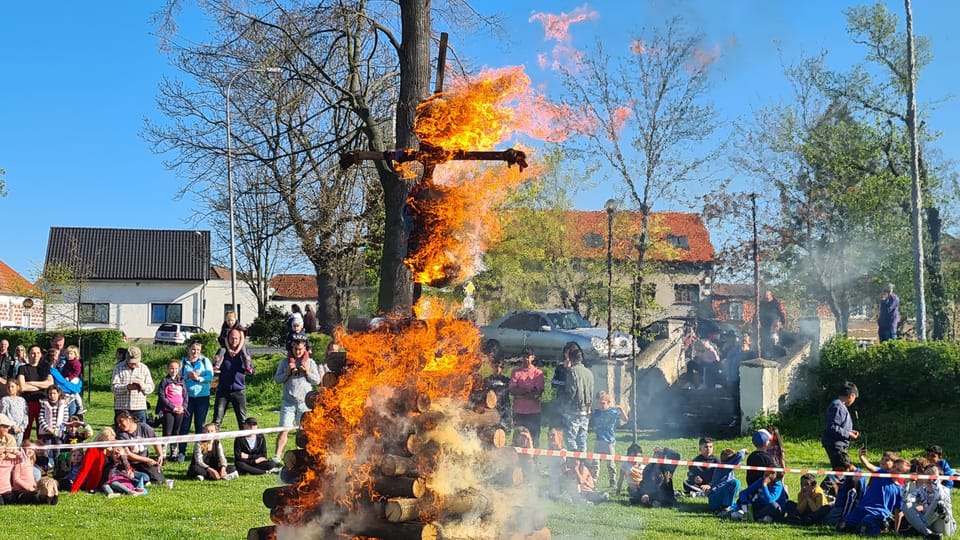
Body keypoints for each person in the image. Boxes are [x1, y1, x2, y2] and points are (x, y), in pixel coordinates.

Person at [273, 333, 324, 461]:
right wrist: (287, 373)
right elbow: (277, 380)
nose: (298, 352)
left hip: (304, 403)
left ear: (305, 349)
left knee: (303, 432)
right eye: (295, 349)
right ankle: (277, 456)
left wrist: (307, 372)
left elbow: (317, 381)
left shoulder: (310, 362)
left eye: (300, 349)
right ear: (292, 348)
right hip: (288, 403)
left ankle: (302, 457)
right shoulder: (285, 362)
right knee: (284, 429)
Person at [840, 457, 910, 535]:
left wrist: (896, 530)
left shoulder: (899, 490)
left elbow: (898, 511)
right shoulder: (881, 473)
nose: (894, 470)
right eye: (894, 467)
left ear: (903, 475)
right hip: (861, 509)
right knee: (842, 527)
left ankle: (882, 527)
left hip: (876, 514)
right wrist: (861, 456)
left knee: (863, 530)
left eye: (898, 470)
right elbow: (868, 466)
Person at [177, 340, 214, 462]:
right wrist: (188, 376)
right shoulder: (182, 362)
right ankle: (181, 452)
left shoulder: (205, 361)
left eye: (198, 350)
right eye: (193, 349)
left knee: (200, 425)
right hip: (187, 398)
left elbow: (210, 377)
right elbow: (177, 378)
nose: (195, 352)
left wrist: (198, 378)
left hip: (202, 396)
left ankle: (200, 452)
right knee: (185, 425)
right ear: (188, 350)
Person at [901, 463, 957, 539]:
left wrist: (935, 481)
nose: (928, 477)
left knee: (940, 503)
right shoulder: (920, 491)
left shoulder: (945, 490)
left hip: (944, 526)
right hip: (930, 526)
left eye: (931, 474)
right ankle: (927, 533)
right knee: (906, 505)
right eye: (926, 474)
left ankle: (917, 529)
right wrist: (906, 483)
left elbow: (939, 496)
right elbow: (905, 499)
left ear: (941, 478)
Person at [213, 327, 254, 429]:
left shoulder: (244, 353)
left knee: (243, 422)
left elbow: (252, 371)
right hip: (223, 391)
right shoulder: (222, 351)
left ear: (240, 339)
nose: (234, 340)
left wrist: (250, 371)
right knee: (216, 421)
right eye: (232, 338)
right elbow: (214, 368)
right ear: (228, 339)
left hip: (239, 391)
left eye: (236, 338)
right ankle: (213, 444)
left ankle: (243, 444)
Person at [588, 391, 627, 489]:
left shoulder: (612, 412)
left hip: (609, 441)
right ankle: (594, 481)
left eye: (603, 403)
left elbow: (625, 419)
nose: (601, 406)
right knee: (596, 463)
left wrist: (621, 409)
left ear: (608, 402)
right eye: (598, 403)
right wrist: (589, 408)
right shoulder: (596, 412)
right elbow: (588, 417)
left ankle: (612, 481)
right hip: (598, 440)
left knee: (610, 463)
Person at [114, 409, 165, 485]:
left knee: (159, 480)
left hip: (144, 462)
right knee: (144, 477)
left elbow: (155, 441)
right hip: (130, 463)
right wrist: (147, 460)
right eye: (117, 423)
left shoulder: (144, 427)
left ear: (129, 419)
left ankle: (142, 478)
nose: (119, 425)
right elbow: (128, 455)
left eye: (121, 421)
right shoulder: (122, 434)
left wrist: (160, 455)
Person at [508, 346, 544, 448]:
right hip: (519, 412)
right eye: (524, 357)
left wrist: (521, 393)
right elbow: (512, 390)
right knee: (517, 439)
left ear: (533, 357)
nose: (526, 359)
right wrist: (527, 391)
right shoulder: (516, 372)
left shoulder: (538, 373)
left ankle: (534, 461)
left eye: (528, 357)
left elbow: (538, 393)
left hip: (533, 412)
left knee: (534, 438)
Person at [561, 343, 594, 452]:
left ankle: (574, 463)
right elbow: (591, 392)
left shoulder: (572, 371)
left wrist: (566, 406)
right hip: (586, 411)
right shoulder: (589, 373)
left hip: (573, 410)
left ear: (571, 358)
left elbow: (571, 390)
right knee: (582, 440)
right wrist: (589, 407)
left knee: (570, 439)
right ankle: (583, 464)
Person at [822, 381, 860, 472]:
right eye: (855, 397)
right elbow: (832, 426)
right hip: (835, 445)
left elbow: (837, 425)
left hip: (837, 445)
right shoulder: (838, 406)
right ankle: (825, 487)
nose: (854, 400)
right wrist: (848, 434)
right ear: (851, 395)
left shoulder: (839, 406)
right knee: (844, 470)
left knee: (844, 472)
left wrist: (849, 431)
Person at [110, 347, 155, 423]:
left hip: (139, 408)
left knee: (140, 432)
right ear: (127, 359)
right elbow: (114, 388)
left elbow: (151, 387)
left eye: (135, 362)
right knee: (122, 433)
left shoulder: (144, 368)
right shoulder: (118, 368)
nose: (133, 364)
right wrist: (127, 387)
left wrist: (142, 386)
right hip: (122, 408)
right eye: (131, 362)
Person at [17, 345, 53, 439]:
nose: (35, 355)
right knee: (26, 429)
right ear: (28, 355)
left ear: (40, 354)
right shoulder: (23, 368)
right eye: (33, 353)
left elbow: (50, 384)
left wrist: (31, 383)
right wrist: (42, 385)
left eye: (37, 353)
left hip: (42, 403)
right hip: (27, 403)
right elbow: (23, 387)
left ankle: (40, 452)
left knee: (41, 431)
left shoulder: (45, 367)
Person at [823, 452, 867, 526]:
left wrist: (844, 520)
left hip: (841, 511)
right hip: (838, 505)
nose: (837, 473)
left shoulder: (854, 480)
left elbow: (851, 503)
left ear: (848, 466)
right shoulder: (854, 474)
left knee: (822, 519)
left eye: (839, 470)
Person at [69, 426, 115, 494]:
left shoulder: (103, 449)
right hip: (92, 484)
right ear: (103, 440)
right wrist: (73, 490)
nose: (111, 444)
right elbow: (84, 471)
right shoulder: (92, 450)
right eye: (109, 442)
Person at [156, 360, 187, 459]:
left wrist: (183, 407)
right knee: (167, 432)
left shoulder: (181, 381)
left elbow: (186, 396)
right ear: (168, 369)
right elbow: (161, 396)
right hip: (168, 410)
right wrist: (172, 407)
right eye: (171, 368)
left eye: (176, 368)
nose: (174, 370)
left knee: (176, 431)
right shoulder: (165, 381)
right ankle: (163, 453)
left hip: (180, 410)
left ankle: (174, 453)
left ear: (179, 369)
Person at [710, 448, 747, 513]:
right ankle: (725, 507)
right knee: (735, 483)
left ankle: (728, 506)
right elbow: (739, 457)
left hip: (716, 498)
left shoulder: (726, 468)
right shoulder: (724, 467)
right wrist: (743, 451)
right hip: (715, 500)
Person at [483, 357, 512, 431]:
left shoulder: (507, 380)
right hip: (492, 411)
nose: (498, 369)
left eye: (501, 367)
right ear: (492, 366)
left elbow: (512, 390)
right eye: (496, 366)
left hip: (505, 409)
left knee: (505, 432)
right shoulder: (487, 380)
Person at [758, 290, 787, 354]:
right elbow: (757, 314)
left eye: (767, 295)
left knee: (775, 339)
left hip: (775, 325)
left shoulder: (776, 303)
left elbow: (782, 313)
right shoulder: (761, 304)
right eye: (765, 296)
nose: (766, 297)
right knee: (765, 341)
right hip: (765, 326)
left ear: (770, 295)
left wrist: (783, 323)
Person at [0, 380, 28, 445]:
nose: (10, 389)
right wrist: (14, 427)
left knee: (17, 449)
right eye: (8, 387)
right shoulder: (4, 400)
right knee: (9, 447)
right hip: (9, 430)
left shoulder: (22, 400)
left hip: (20, 431)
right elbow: (5, 414)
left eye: (12, 387)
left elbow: (25, 414)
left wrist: (22, 427)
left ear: (17, 387)